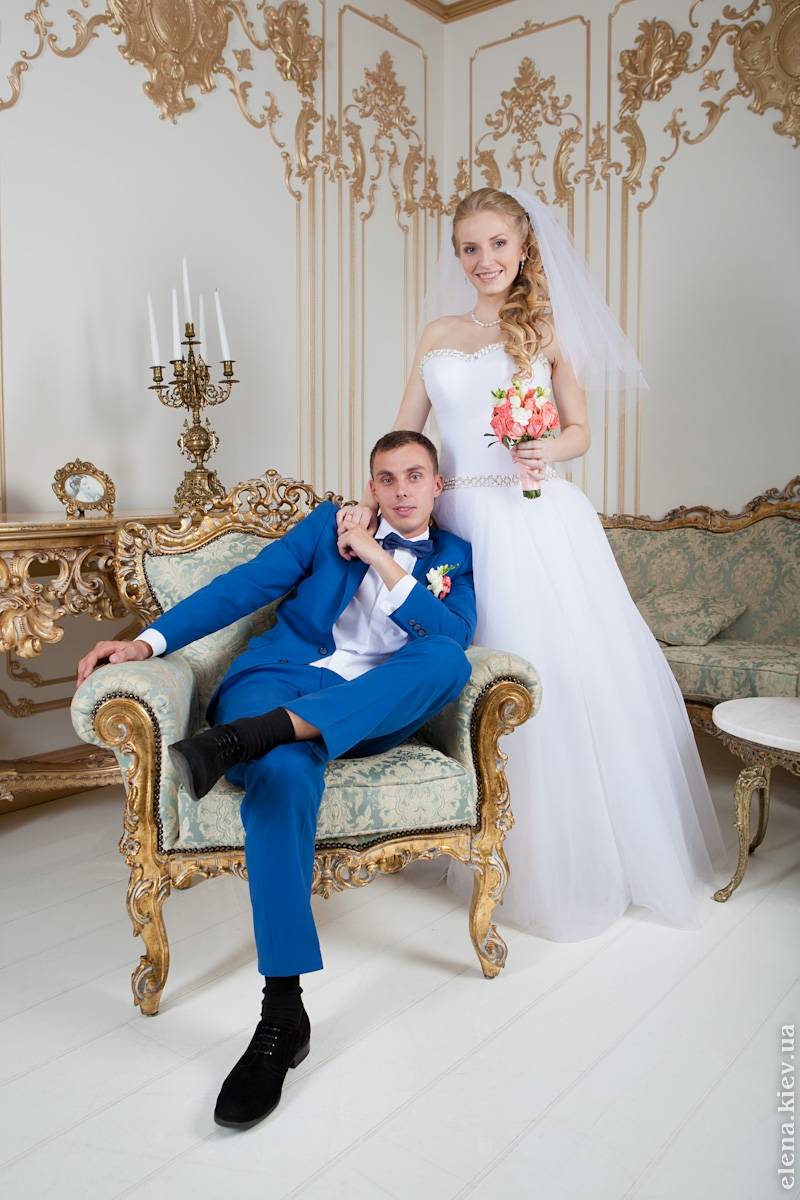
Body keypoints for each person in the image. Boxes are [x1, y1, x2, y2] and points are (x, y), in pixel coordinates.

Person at [338, 186, 726, 941]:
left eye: (497, 245)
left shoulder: (545, 328)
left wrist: (545, 446)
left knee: (543, 677)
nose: (484, 260)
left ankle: (550, 859)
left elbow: (580, 429)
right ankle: (456, 823)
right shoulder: (437, 334)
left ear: (523, 248)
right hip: (455, 522)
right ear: (458, 255)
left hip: (530, 519)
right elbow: (403, 436)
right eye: (469, 248)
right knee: (457, 671)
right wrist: (369, 510)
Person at [76, 431, 476, 1130]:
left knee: (448, 659)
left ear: (437, 485)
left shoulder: (456, 557)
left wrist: (377, 554)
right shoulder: (325, 525)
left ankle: (241, 741)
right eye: (386, 478)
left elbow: (448, 632)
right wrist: (145, 641)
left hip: (366, 708)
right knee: (284, 775)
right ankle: (281, 1014)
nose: (401, 490)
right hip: (277, 683)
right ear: (371, 485)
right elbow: (243, 587)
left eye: (415, 476)